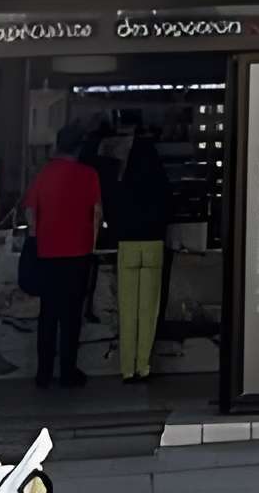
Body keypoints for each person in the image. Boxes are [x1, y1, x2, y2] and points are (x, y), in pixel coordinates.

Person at [24, 123, 102, 389]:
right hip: (78, 254)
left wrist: (37, 239)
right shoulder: (89, 175)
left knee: (48, 314)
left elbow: (30, 216)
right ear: (80, 147)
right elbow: (96, 215)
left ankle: (43, 372)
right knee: (71, 317)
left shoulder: (43, 174)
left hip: (47, 253)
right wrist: (92, 246)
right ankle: (68, 372)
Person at [106, 127, 173, 383]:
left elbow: (112, 210)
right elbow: (169, 207)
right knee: (148, 309)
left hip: (128, 246)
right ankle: (143, 366)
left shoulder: (124, 182)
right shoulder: (159, 181)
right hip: (153, 245)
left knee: (127, 309)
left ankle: (126, 368)